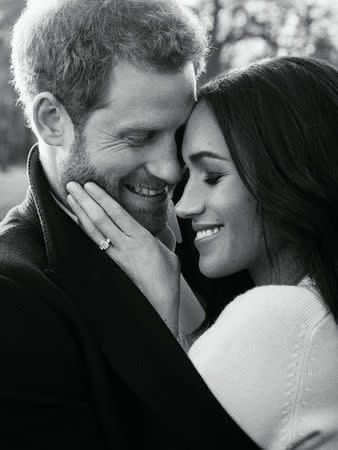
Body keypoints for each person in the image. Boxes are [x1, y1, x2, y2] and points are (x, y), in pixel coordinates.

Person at [0, 0, 259, 448]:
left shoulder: (217, 217)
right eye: (138, 137)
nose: (171, 171)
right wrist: (160, 335)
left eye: (178, 133)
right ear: (52, 120)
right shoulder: (14, 299)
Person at [68, 56, 338, 449]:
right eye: (187, 174)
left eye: (212, 176)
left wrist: (161, 313)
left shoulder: (281, 319)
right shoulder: (316, 312)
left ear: (290, 177)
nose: (182, 205)